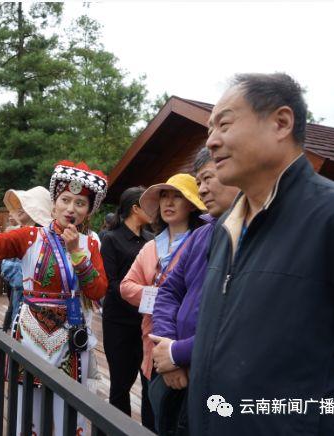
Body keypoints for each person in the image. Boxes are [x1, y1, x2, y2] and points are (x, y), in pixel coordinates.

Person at [188, 73, 334, 436]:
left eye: (224, 124)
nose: (212, 142)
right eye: (209, 130)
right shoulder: (223, 229)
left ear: (281, 123)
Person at [0, 160, 108, 435]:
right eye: (65, 200)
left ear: (88, 211)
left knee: (69, 407)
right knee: (27, 407)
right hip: (31, 333)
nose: (71, 208)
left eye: (80, 203)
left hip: (71, 335)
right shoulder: (30, 236)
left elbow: (98, 291)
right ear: (54, 204)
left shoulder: (90, 243)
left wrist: (78, 255)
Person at [146, 147, 239, 434]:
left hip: (218, 375)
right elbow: (168, 291)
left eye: (209, 177)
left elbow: (242, 320)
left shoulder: (255, 235)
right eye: (198, 182)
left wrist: (178, 353)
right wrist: (167, 345)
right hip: (172, 367)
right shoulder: (201, 235)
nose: (203, 189)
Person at [120, 174, 206, 427]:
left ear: (191, 203)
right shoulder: (150, 247)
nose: (168, 202)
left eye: (177, 196)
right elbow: (126, 286)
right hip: (152, 342)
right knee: (153, 413)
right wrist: (162, 296)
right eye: (164, 196)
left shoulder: (201, 242)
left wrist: (161, 295)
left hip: (189, 345)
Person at [100, 187, 154, 425]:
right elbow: (110, 284)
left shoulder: (152, 240)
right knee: (120, 384)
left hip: (148, 323)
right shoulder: (111, 239)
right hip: (119, 323)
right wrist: (141, 300)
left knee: (149, 383)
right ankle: (118, 429)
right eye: (148, 204)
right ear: (135, 208)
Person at [0, 187, 52, 332]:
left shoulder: (50, 238)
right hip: (21, 301)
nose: (19, 207)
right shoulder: (17, 233)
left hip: (44, 309)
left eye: (26, 203)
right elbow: (6, 267)